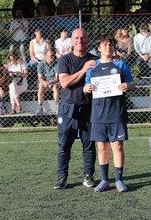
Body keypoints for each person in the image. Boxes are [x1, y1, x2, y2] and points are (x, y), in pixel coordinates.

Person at [83, 34, 135, 192]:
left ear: (114, 47)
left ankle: (119, 180)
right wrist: (86, 88)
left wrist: (127, 86)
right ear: (99, 48)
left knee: (117, 146)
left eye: (110, 45)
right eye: (104, 45)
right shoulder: (92, 67)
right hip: (98, 113)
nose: (108, 47)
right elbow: (86, 86)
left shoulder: (121, 65)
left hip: (116, 112)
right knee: (101, 147)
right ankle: (105, 180)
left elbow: (132, 83)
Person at [54, 28, 98, 189]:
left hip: (88, 108)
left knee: (89, 144)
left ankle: (88, 175)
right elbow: (64, 83)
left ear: (87, 40)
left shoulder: (95, 60)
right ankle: (61, 177)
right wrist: (84, 70)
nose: (80, 41)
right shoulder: (65, 60)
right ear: (72, 41)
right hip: (68, 108)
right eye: (77, 38)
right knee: (64, 144)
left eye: (83, 38)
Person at [36, 50, 59, 115]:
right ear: (45, 56)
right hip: (44, 81)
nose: (52, 57)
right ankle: (40, 107)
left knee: (55, 87)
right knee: (40, 87)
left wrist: (52, 82)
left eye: (53, 56)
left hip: (53, 81)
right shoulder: (40, 64)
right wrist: (45, 82)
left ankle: (57, 107)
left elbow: (56, 77)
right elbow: (40, 78)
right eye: (51, 56)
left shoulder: (56, 64)